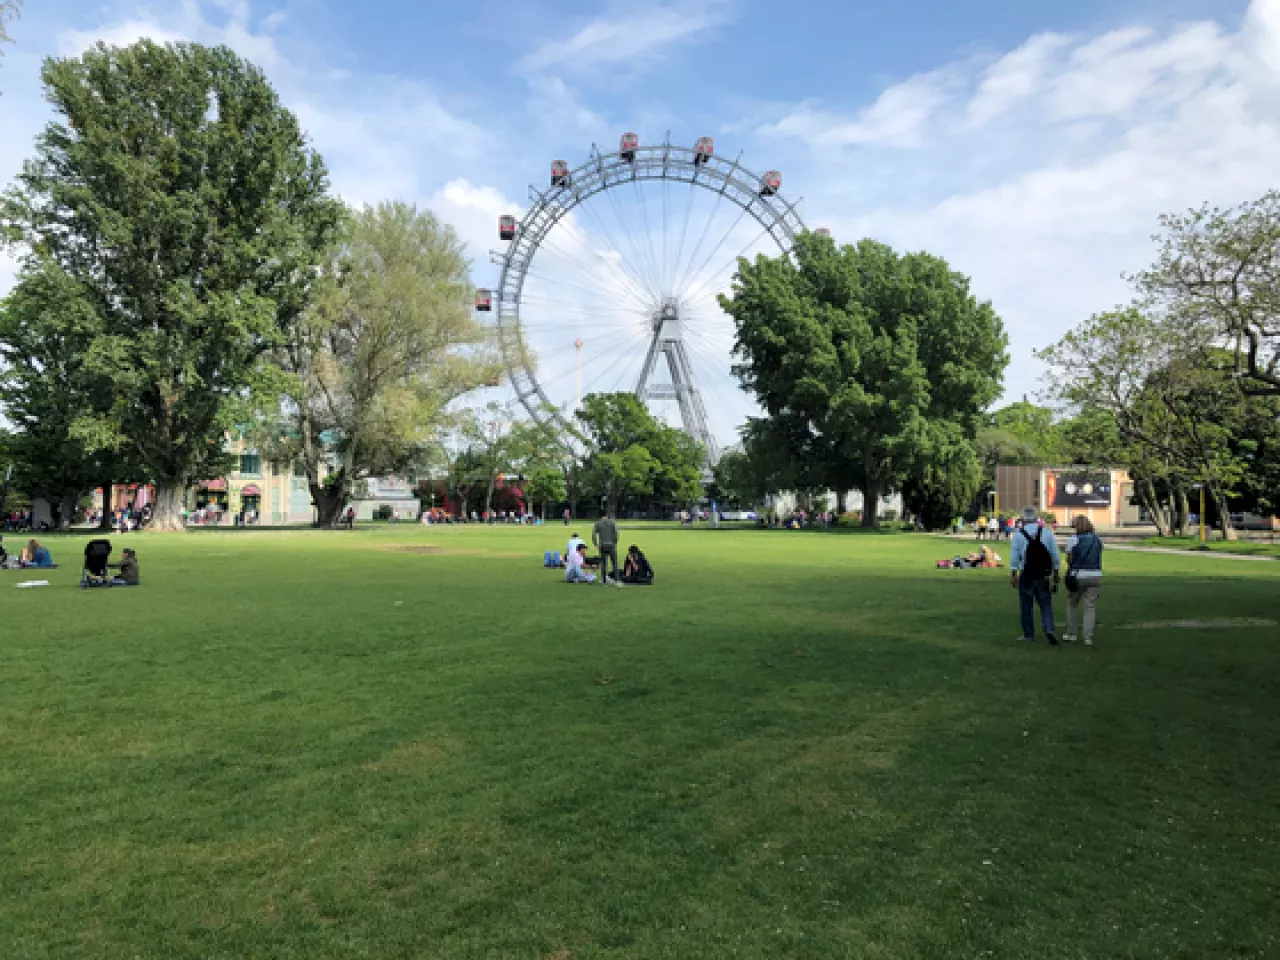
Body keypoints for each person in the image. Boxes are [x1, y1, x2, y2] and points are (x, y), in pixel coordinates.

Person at [1009, 507, 1060, 644]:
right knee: (1045, 604)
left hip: (1026, 573)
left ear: (1023, 519)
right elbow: (1054, 554)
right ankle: (1049, 627)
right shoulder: (1046, 533)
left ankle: (1028, 634)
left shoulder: (1019, 535)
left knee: (1026, 605)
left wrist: (1013, 573)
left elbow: (1014, 557)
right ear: (1037, 518)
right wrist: (1056, 572)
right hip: (1042, 574)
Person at [1064, 515, 1104, 647]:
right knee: (1090, 607)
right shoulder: (1097, 539)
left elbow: (1069, 558)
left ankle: (1071, 633)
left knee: (1073, 604)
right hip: (1096, 575)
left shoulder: (1074, 539)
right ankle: (1088, 637)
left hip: (1078, 575)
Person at [593, 511, 619, 585]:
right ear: (607, 515)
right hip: (611, 545)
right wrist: (615, 543)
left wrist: (596, 544)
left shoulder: (598, 523)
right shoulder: (612, 522)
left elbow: (594, 535)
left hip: (602, 545)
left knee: (604, 564)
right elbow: (616, 534)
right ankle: (617, 580)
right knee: (614, 563)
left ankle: (604, 580)